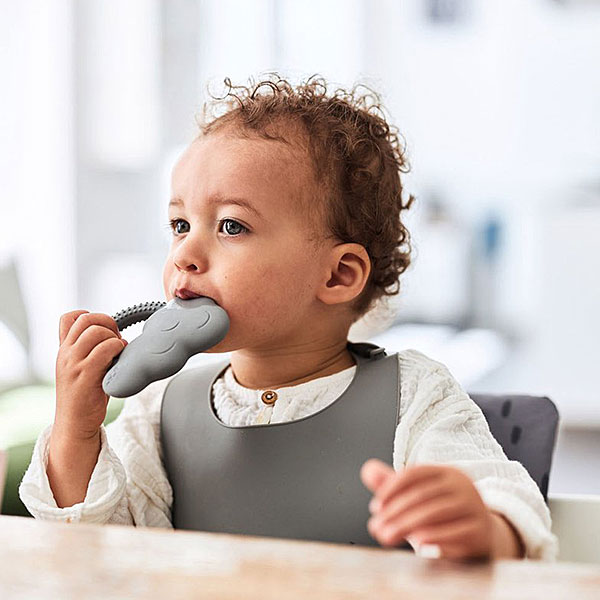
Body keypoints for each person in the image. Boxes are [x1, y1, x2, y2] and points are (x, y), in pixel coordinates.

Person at [20, 74, 557, 561]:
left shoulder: (414, 395)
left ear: (338, 275)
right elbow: (99, 551)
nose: (185, 253)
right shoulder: (160, 411)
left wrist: (482, 529)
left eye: (230, 226)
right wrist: (77, 429)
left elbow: (505, 503)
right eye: (180, 225)